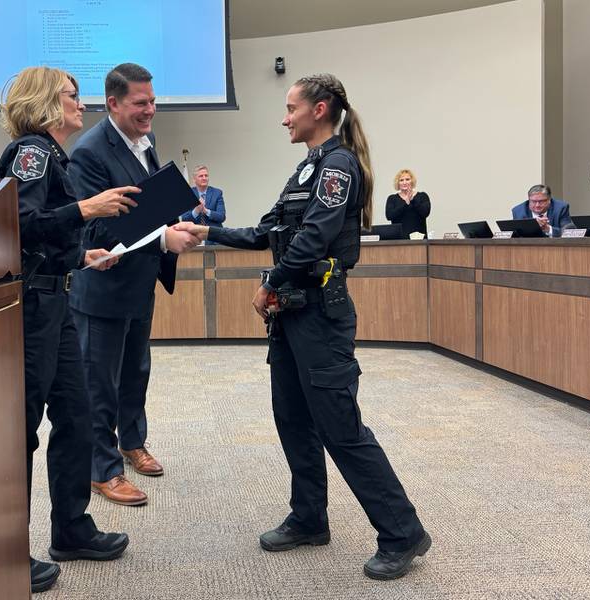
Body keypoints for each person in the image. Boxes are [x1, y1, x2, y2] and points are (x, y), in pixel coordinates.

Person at [174, 73, 430, 580]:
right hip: (291, 316)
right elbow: (270, 229)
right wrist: (209, 231)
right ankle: (310, 517)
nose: (284, 117)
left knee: (341, 427)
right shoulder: (306, 169)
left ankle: (402, 531)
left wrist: (268, 281)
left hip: (320, 315)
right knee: (292, 417)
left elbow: (312, 240)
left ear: (320, 109)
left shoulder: (338, 167)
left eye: (291, 108)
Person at [0, 66, 137, 593]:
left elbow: (44, 235)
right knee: (23, 429)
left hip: (56, 302)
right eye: (74, 97)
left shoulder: (51, 156)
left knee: (76, 417)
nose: (83, 105)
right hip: (31, 310)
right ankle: (8, 551)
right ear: (47, 103)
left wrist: (81, 253)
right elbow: (16, 224)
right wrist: (86, 208)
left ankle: (71, 528)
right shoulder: (31, 152)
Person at [67, 63, 200, 507]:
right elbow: (97, 233)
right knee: (98, 382)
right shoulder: (88, 153)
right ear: (113, 104)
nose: (151, 111)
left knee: (135, 372)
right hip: (103, 289)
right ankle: (101, 468)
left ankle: (131, 443)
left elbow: (149, 203)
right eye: (141, 103)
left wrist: (174, 218)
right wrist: (164, 237)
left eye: (153, 101)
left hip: (140, 282)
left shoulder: (148, 141)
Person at [180, 164, 226, 244]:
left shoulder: (217, 193)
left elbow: (222, 217)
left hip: (214, 239)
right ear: (194, 179)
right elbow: (184, 219)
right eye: (201, 176)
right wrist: (196, 210)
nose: (204, 178)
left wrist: (206, 211)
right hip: (194, 238)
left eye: (206, 175)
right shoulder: (188, 193)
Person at [384, 169, 430, 237]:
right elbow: (389, 216)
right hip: (399, 240)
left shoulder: (422, 196)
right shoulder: (392, 198)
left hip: (419, 239)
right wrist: (405, 203)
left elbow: (425, 213)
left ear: (412, 181)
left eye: (407, 179)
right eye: (401, 180)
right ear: (398, 183)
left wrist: (412, 200)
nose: (404, 182)